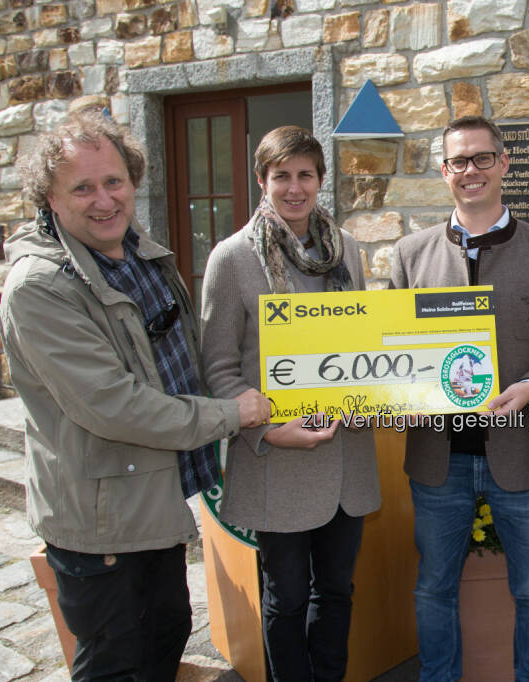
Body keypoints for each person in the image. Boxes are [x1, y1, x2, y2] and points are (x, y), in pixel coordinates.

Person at [0, 111, 271, 680]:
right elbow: (114, 405)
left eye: (114, 181)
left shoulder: (139, 254)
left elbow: (181, 355)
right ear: (49, 198)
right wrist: (232, 413)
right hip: (100, 520)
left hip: (152, 499)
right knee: (116, 663)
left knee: (164, 638)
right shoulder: (41, 287)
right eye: (83, 188)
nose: (104, 200)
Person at [390, 115, 529, 681]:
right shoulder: (410, 254)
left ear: (504, 163)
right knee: (433, 588)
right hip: (438, 459)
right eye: (459, 161)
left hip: (522, 454)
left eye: (482, 158)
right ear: (444, 171)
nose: (470, 170)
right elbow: (392, 350)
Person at [200, 125, 381, 681]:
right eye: (282, 176)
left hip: (346, 459)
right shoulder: (232, 258)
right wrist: (266, 430)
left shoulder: (346, 249)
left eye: (305, 175)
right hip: (277, 462)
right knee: (286, 599)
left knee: (337, 591)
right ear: (262, 180)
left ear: (321, 180)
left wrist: (380, 392)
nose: (295, 188)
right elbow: (218, 368)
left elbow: (361, 344)